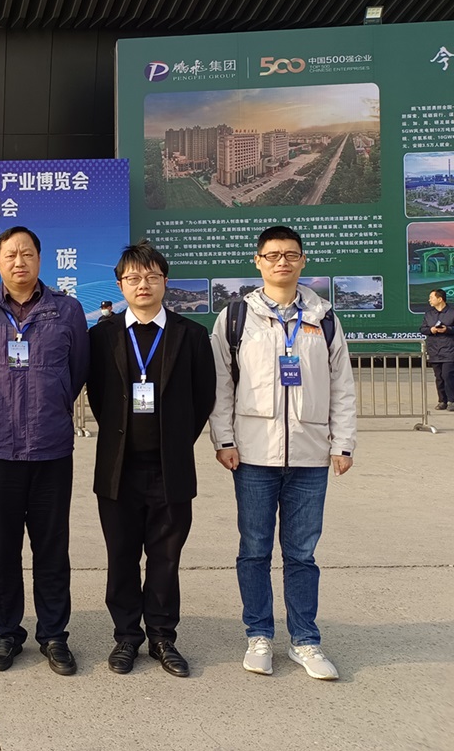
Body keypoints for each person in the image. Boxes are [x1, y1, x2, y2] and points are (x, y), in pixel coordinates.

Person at [211, 224, 356, 681]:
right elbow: (222, 385)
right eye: (272, 255)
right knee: (254, 550)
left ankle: (305, 640)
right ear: (258, 262)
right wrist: (224, 440)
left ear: (302, 261)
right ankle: (258, 635)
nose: (282, 262)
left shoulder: (324, 318)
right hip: (253, 455)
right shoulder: (236, 317)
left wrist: (343, 443)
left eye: (290, 255)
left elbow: (342, 386)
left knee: (302, 554)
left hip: (311, 456)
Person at [0, 226, 88, 675]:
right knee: (2, 549)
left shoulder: (66, 310)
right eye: (10, 254)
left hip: (51, 448)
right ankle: (6, 633)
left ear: (39, 259)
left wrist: (52, 403)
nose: (19, 262)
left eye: (27, 253)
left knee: (52, 547)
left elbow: (77, 370)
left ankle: (54, 634)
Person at [86, 241, 215, 677]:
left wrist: (175, 441)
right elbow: (98, 396)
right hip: (118, 469)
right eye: (134, 278)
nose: (143, 285)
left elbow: (203, 397)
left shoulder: (190, 335)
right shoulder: (102, 336)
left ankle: (162, 637)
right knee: (121, 556)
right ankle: (126, 637)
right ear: (120, 285)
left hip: (170, 469)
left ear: (165, 282)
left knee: (166, 558)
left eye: (152, 277)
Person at [422, 289, 454, 410]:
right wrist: (431, 330)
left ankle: (452, 400)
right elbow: (422, 329)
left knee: (448, 375)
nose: (429, 300)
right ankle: (442, 401)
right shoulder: (429, 314)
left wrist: (448, 329)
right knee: (439, 377)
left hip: (449, 349)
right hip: (434, 350)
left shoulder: (452, 312)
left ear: (440, 299)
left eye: (431, 297)